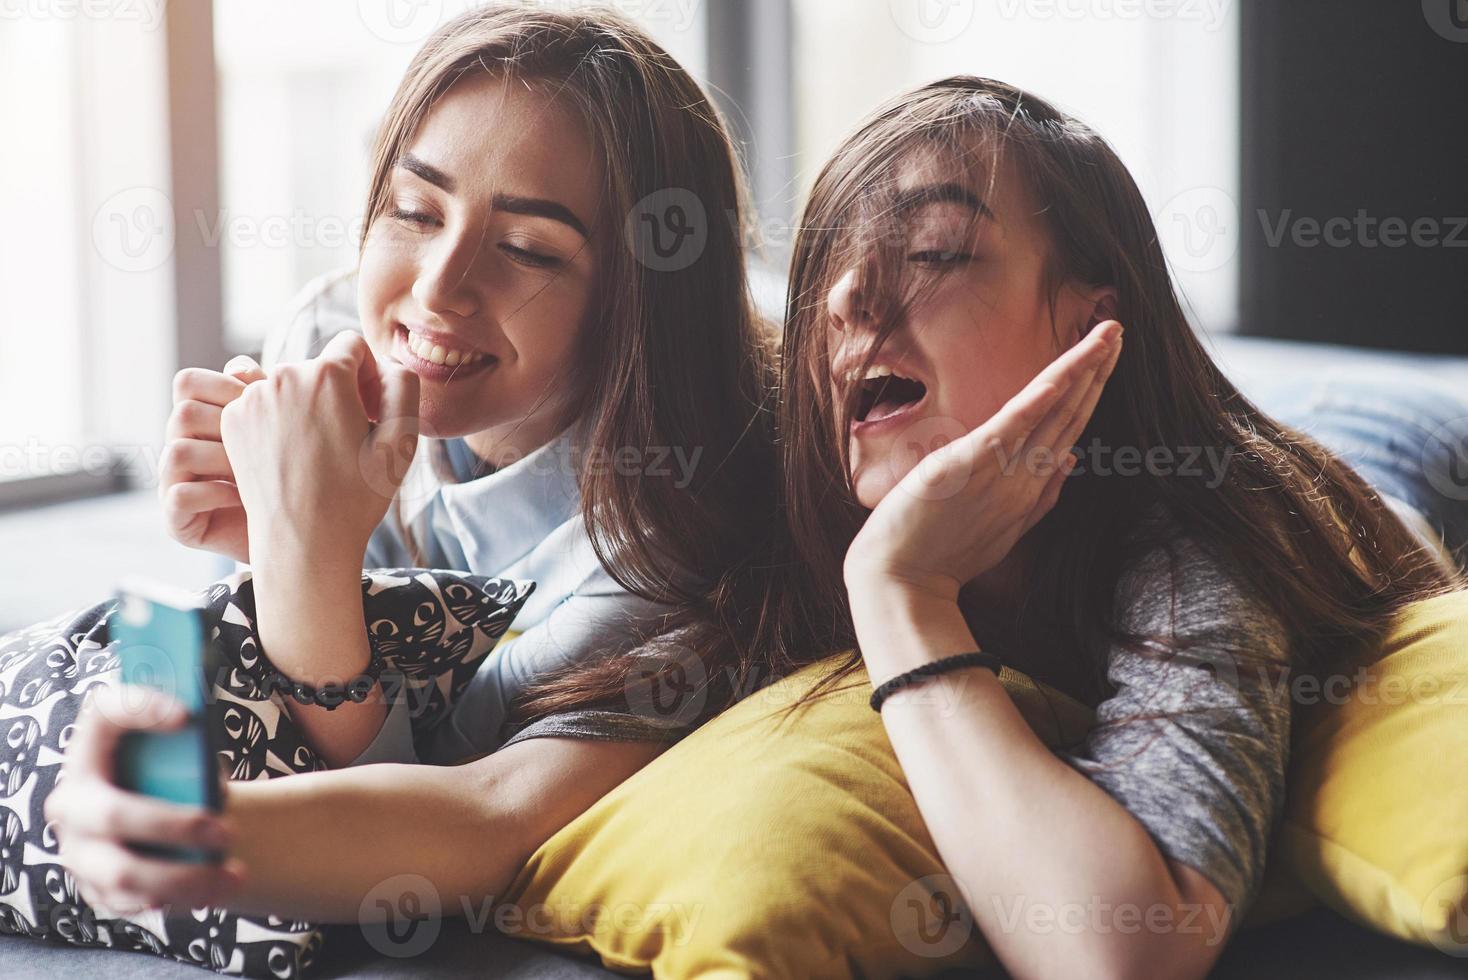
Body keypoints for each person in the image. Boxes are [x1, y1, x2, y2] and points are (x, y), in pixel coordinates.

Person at [45, 5, 777, 918]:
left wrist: (303, 567)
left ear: (642, 304)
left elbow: (471, 809)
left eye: (525, 249)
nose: (434, 290)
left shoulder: (664, 558)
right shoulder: (325, 338)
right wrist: (260, 543)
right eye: (415, 209)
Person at [767, 76, 1468, 978]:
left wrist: (903, 593)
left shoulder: (1199, 553)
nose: (850, 301)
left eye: (934, 252)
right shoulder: (776, 479)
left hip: (1382, 466)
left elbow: (1120, 955)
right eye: (829, 267)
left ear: (1084, 326)